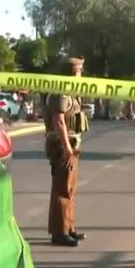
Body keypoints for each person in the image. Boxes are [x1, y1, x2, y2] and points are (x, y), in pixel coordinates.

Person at [43, 57, 90, 246]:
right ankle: (59, 232)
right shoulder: (61, 92)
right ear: (71, 72)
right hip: (62, 145)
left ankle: (68, 227)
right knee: (62, 189)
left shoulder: (70, 90)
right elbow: (59, 121)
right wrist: (67, 148)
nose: (81, 73)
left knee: (69, 188)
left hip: (71, 143)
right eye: (79, 70)